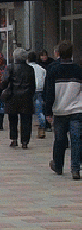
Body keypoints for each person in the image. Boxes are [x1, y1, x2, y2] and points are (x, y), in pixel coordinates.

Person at [43, 40, 82, 180]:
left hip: (60, 110)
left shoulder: (53, 70)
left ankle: (58, 165)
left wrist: (47, 111)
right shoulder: (78, 69)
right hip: (77, 110)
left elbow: (49, 93)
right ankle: (75, 169)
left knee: (60, 139)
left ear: (58, 53)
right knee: (76, 139)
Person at [0, 48, 35, 149]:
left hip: (12, 96)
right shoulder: (30, 68)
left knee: (12, 119)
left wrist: (4, 88)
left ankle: (14, 139)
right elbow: (33, 85)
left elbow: (4, 81)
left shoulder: (10, 67)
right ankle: (25, 141)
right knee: (26, 120)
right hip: (26, 96)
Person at [27, 51, 47, 140]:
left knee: (27, 111)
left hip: (29, 90)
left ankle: (28, 129)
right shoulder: (40, 68)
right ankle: (42, 127)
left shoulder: (27, 68)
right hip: (39, 90)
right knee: (39, 110)